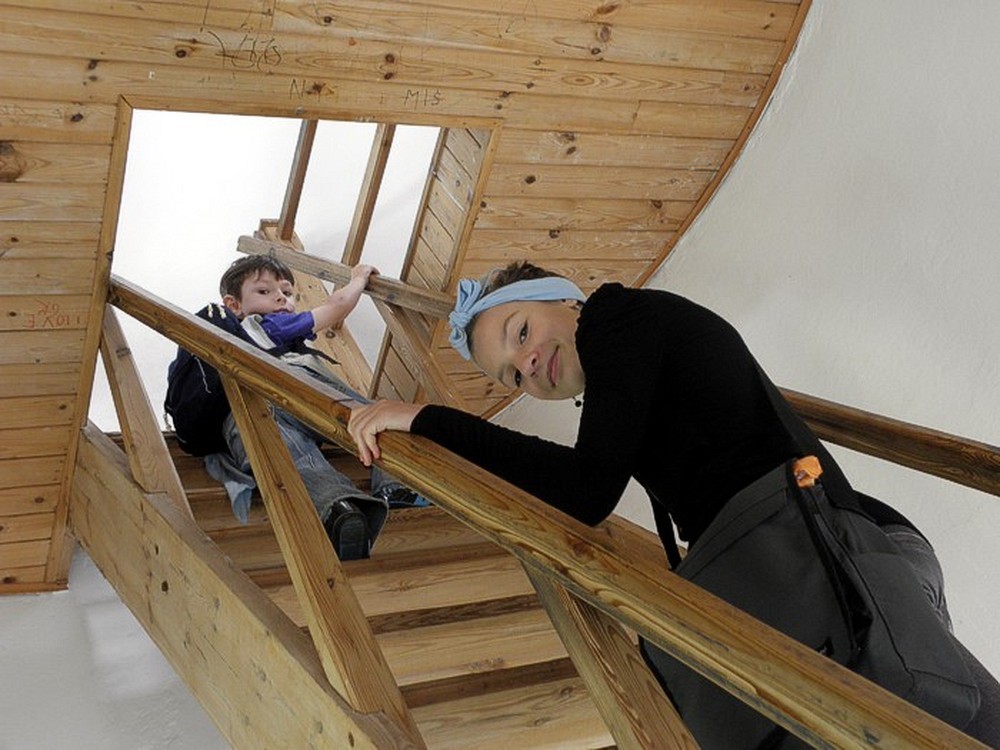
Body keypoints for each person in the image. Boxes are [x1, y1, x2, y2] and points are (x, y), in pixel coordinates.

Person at [348, 261, 1000, 746]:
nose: (527, 364)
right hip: (800, 564)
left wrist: (428, 419)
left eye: (521, 332)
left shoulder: (618, 318)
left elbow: (585, 490)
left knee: (935, 719)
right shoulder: (623, 368)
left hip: (833, 552)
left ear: (566, 299)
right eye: (510, 375)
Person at [199, 255, 421, 561]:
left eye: (287, 292)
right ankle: (395, 485)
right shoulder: (265, 325)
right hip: (295, 392)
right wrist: (359, 277)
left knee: (297, 457)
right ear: (233, 305)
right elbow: (337, 305)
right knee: (376, 419)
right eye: (264, 291)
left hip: (250, 415)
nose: (281, 297)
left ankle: (339, 509)